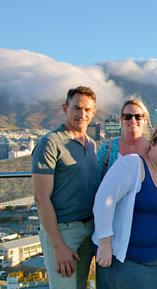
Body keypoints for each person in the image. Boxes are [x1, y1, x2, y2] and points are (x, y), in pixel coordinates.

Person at [92, 124, 157, 289]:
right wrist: (105, 242)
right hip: (125, 259)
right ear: (153, 144)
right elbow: (104, 199)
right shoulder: (133, 165)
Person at [32, 86, 98, 289]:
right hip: (62, 230)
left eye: (88, 109)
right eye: (77, 108)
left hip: (89, 228)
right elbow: (41, 198)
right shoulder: (50, 143)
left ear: (94, 112)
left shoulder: (92, 145)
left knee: (79, 285)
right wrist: (58, 246)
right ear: (65, 108)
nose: (82, 114)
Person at [97, 98, 151, 183]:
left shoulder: (153, 149)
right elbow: (96, 180)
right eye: (128, 116)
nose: (133, 120)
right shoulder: (107, 148)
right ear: (121, 120)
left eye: (138, 117)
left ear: (145, 120)